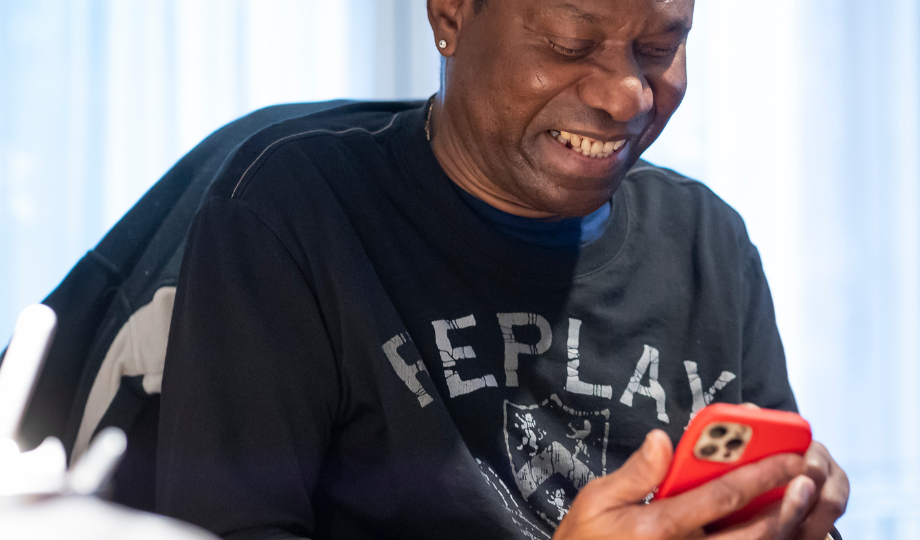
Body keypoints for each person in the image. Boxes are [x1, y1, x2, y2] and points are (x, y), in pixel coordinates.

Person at [154, 0, 849, 539]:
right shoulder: (294, 215)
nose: (626, 97)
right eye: (569, 46)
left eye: (659, 48)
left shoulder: (708, 244)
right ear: (450, 13)